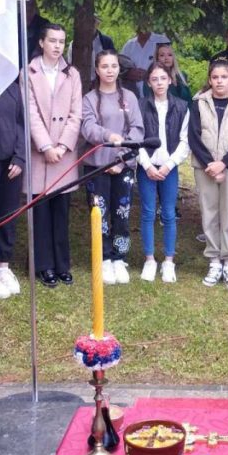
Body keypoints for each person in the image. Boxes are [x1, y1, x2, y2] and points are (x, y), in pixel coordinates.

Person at [81, 50, 145, 285]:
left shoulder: (130, 97)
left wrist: (120, 159)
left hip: (123, 166)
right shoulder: (88, 99)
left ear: (119, 69)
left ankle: (120, 257)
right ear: (97, 70)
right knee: (101, 214)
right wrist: (108, 135)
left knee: (122, 213)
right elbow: (88, 128)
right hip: (97, 166)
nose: (110, 70)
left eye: (114, 66)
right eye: (105, 66)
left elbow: (137, 130)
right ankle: (104, 258)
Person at [28, 23, 83, 289]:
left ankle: (62, 264)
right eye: (52, 40)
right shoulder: (28, 72)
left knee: (61, 210)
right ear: (41, 43)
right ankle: (44, 265)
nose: (58, 46)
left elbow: (76, 113)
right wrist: (46, 146)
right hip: (41, 153)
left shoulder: (72, 74)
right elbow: (31, 114)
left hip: (63, 153)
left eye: (61, 41)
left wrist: (62, 145)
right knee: (41, 212)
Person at [188, 59, 228, 291]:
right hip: (205, 167)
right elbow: (194, 137)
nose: (219, 82)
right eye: (215, 78)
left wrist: (224, 163)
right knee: (210, 212)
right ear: (210, 80)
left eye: (224, 77)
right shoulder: (198, 102)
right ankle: (214, 260)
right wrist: (211, 164)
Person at [136, 65, 190, 283]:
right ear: (148, 83)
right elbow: (137, 137)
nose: (159, 82)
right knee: (148, 212)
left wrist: (169, 165)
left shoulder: (182, 106)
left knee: (168, 214)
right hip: (146, 167)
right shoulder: (140, 106)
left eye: (163, 78)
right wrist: (147, 165)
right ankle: (149, 259)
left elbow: (185, 141)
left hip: (169, 167)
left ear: (170, 80)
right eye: (154, 79)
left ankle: (169, 261)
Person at [0, 82, 27, 299]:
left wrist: (20, 156)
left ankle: (3, 265)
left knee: (8, 212)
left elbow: (22, 122)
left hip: (12, 160)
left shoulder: (13, 85)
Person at [121, 20, 170, 98]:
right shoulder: (129, 45)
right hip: (132, 94)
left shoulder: (161, 40)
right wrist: (129, 73)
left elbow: (170, 65)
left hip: (156, 93)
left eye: (145, 22)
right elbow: (120, 67)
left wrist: (149, 74)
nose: (142, 27)